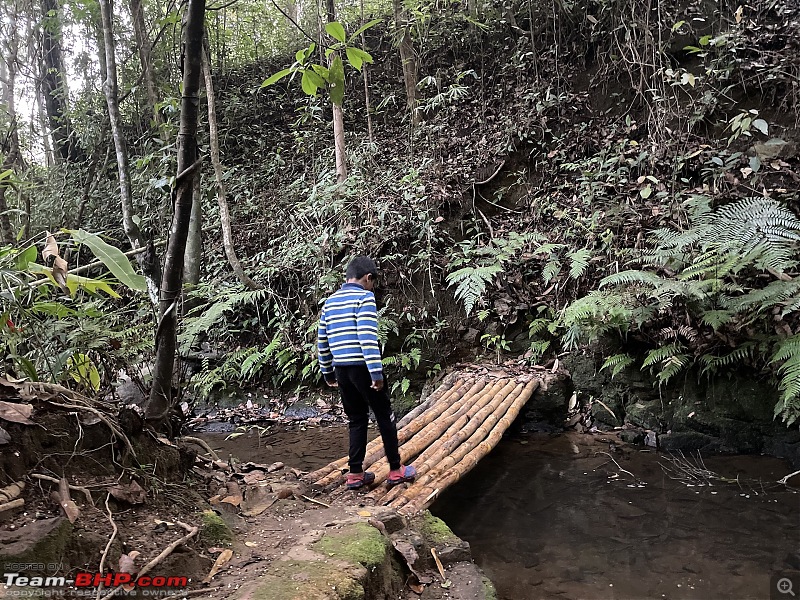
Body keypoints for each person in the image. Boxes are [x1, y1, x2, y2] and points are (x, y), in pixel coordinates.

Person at [317, 256, 417, 490]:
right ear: (367, 277)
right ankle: (395, 469)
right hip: (363, 367)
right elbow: (367, 338)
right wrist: (376, 373)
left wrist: (327, 372)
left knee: (356, 419)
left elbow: (322, 341)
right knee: (384, 416)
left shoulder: (330, 302)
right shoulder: (364, 297)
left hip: (341, 369)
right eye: (373, 281)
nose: (373, 286)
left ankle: (355, 474)